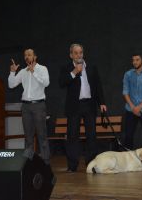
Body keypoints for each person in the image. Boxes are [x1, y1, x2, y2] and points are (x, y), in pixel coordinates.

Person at [59, 43, 107, 172]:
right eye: (76, 53)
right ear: (71, 55)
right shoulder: (67, 68)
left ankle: (91, 164)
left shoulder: (91, 67)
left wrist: (102, 102)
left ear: (83, 54)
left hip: (89, 105)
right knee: (72, 136)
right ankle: (72, 166)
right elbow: (62, 83)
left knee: (91, 135)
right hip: (74, 106)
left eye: (80, 52)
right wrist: (74, 72)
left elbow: (98, 86)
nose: (78, 55)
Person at [8, 48, 51, 165]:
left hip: (38, 105)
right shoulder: (23, 71)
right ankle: (28, 162)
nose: (27, 57)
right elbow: (11, 85)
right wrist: (12, 72)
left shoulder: (42, 69)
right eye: (25, 55)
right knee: (28, 137)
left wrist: (34, 72)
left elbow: (46, 83)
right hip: (26, 107)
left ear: (35, 57)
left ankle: (46, 162)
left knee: (42, 135)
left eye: (29, 55)